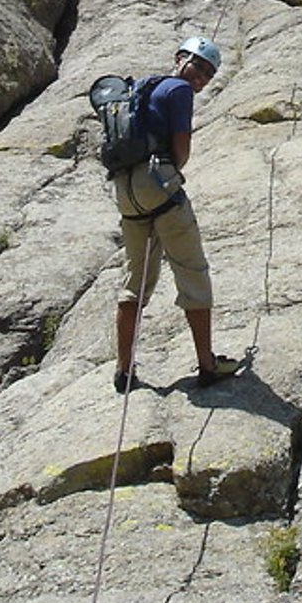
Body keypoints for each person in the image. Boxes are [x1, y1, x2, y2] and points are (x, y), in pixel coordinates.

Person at [113, 36, 242, 392]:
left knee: (135, 280)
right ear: (179, 58)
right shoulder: (179, 91)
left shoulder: (142, 87)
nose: (200, 76)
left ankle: (124, 370)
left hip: (126, 194)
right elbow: (181, 148)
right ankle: (207, 364)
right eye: (198, 66)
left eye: (207, 73)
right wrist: (175, 172)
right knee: (192, 272)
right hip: (159, 189)